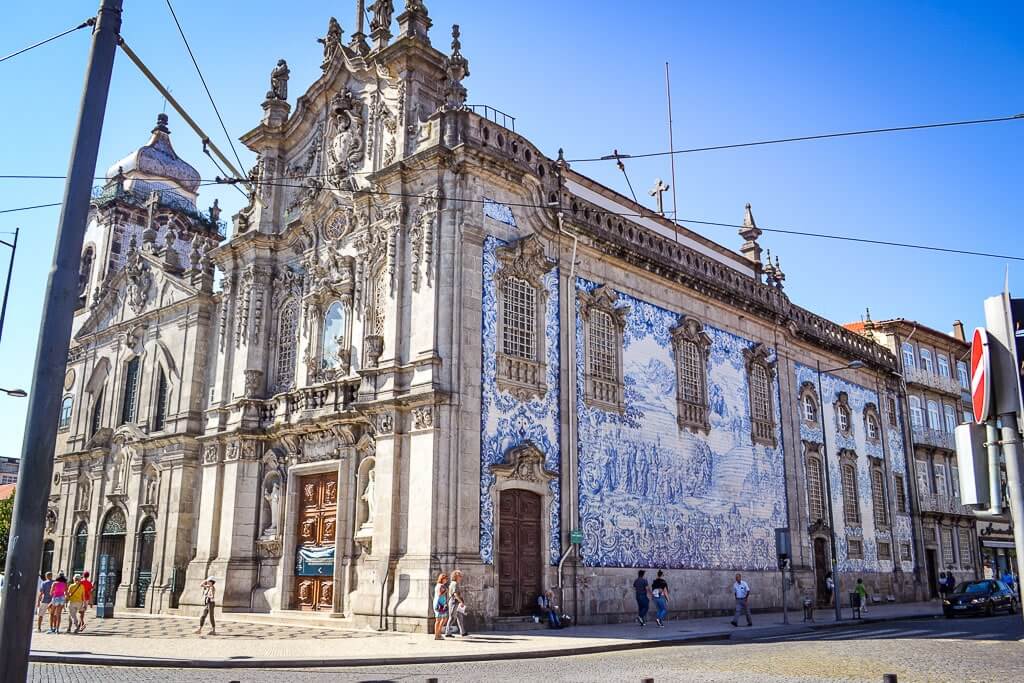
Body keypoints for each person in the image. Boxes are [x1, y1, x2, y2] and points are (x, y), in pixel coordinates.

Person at [445, 569, 469, 637]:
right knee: (452, 617)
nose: (461, 577)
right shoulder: (454, 584)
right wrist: (461, 602)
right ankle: (447, 632)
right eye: (459, 576)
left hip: (456, 602)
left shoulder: (454, 583)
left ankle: (463, 632)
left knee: (460, 617)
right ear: (456, 576)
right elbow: (455, 594)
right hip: (454, 602)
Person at [432, 573, 449, 640]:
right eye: (446, 579)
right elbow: (439, 594)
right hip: (440, 604)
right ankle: (437, 634)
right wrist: (446, 591)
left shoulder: (438, 585)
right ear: (442, 579)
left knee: (442, 618)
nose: (446, 580)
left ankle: (438, 633)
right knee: (439, 619)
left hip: (438, 603)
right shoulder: (441, 586)